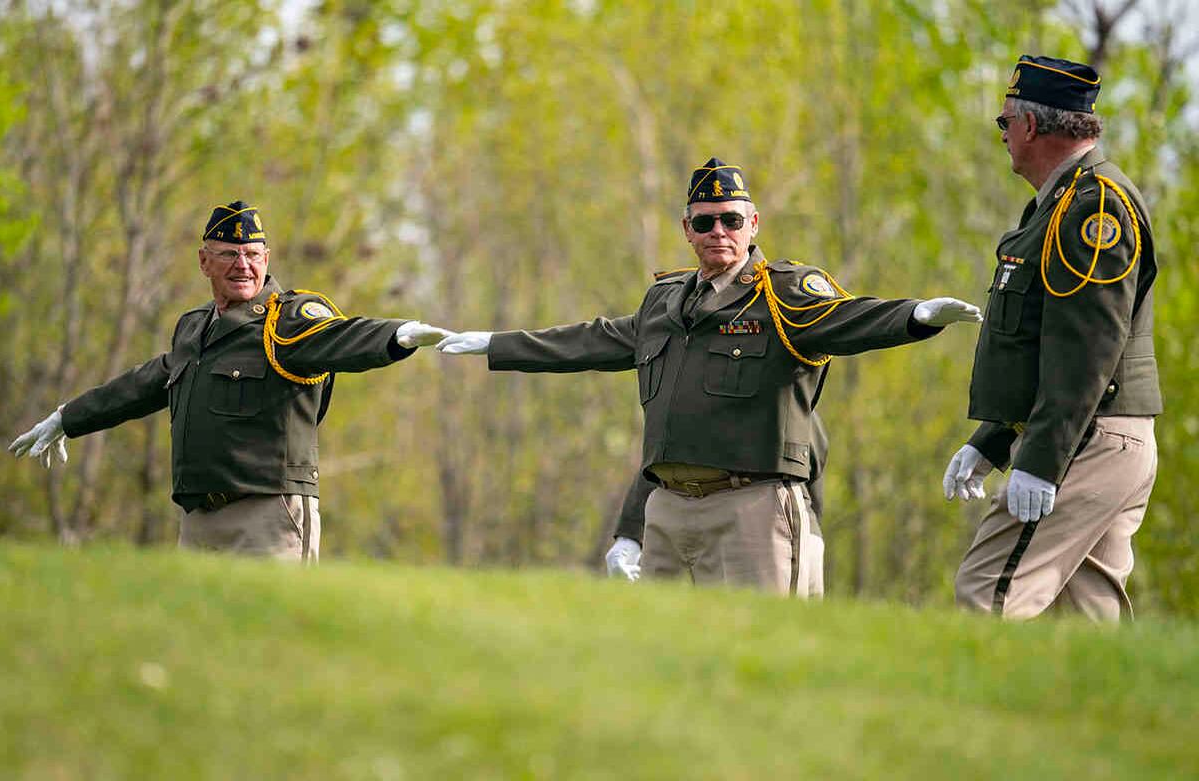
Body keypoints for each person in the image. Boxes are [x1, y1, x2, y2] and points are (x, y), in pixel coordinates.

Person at [438, 158, 981, 595]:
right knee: (666, 662)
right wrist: (495, 343)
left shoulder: (784, 294)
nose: (718, 231)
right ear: (687, 229)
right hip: (669, 510)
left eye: (731, 220)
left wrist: (916, 316)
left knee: (766, 653)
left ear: (753, 224)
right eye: (705, 222)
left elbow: (849, 318)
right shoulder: (664, 303)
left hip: (753, 508)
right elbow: (589, 342)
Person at [9, 201, 453, 561]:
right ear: (204, 261)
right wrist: (69, 418)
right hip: (198, 520)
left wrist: (399, 335)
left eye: (253, 255)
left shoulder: (288, 320)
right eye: (228, 254)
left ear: (266, 260)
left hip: (268, 517)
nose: (243, 265)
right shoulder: (194, 327)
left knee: (272, 638)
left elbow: (341, 336)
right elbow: (144, 384)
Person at [943, 56, 1160, 620]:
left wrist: (1040, 460)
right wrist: (994, 440)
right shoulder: (1061, 201)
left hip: (1089, 433)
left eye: (1005, 122)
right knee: (1085, 618)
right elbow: (1045, 350)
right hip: (1097, 433)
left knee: (987, 593)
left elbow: (1088, 351)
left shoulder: (1093, 206)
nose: (1003, 135)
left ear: (1031, 125)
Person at [606, 411, 830, 598]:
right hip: (689, 517)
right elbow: (667, 455)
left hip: (772, 522)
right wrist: (630, 533)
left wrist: (812, 531)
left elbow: (808, 443)